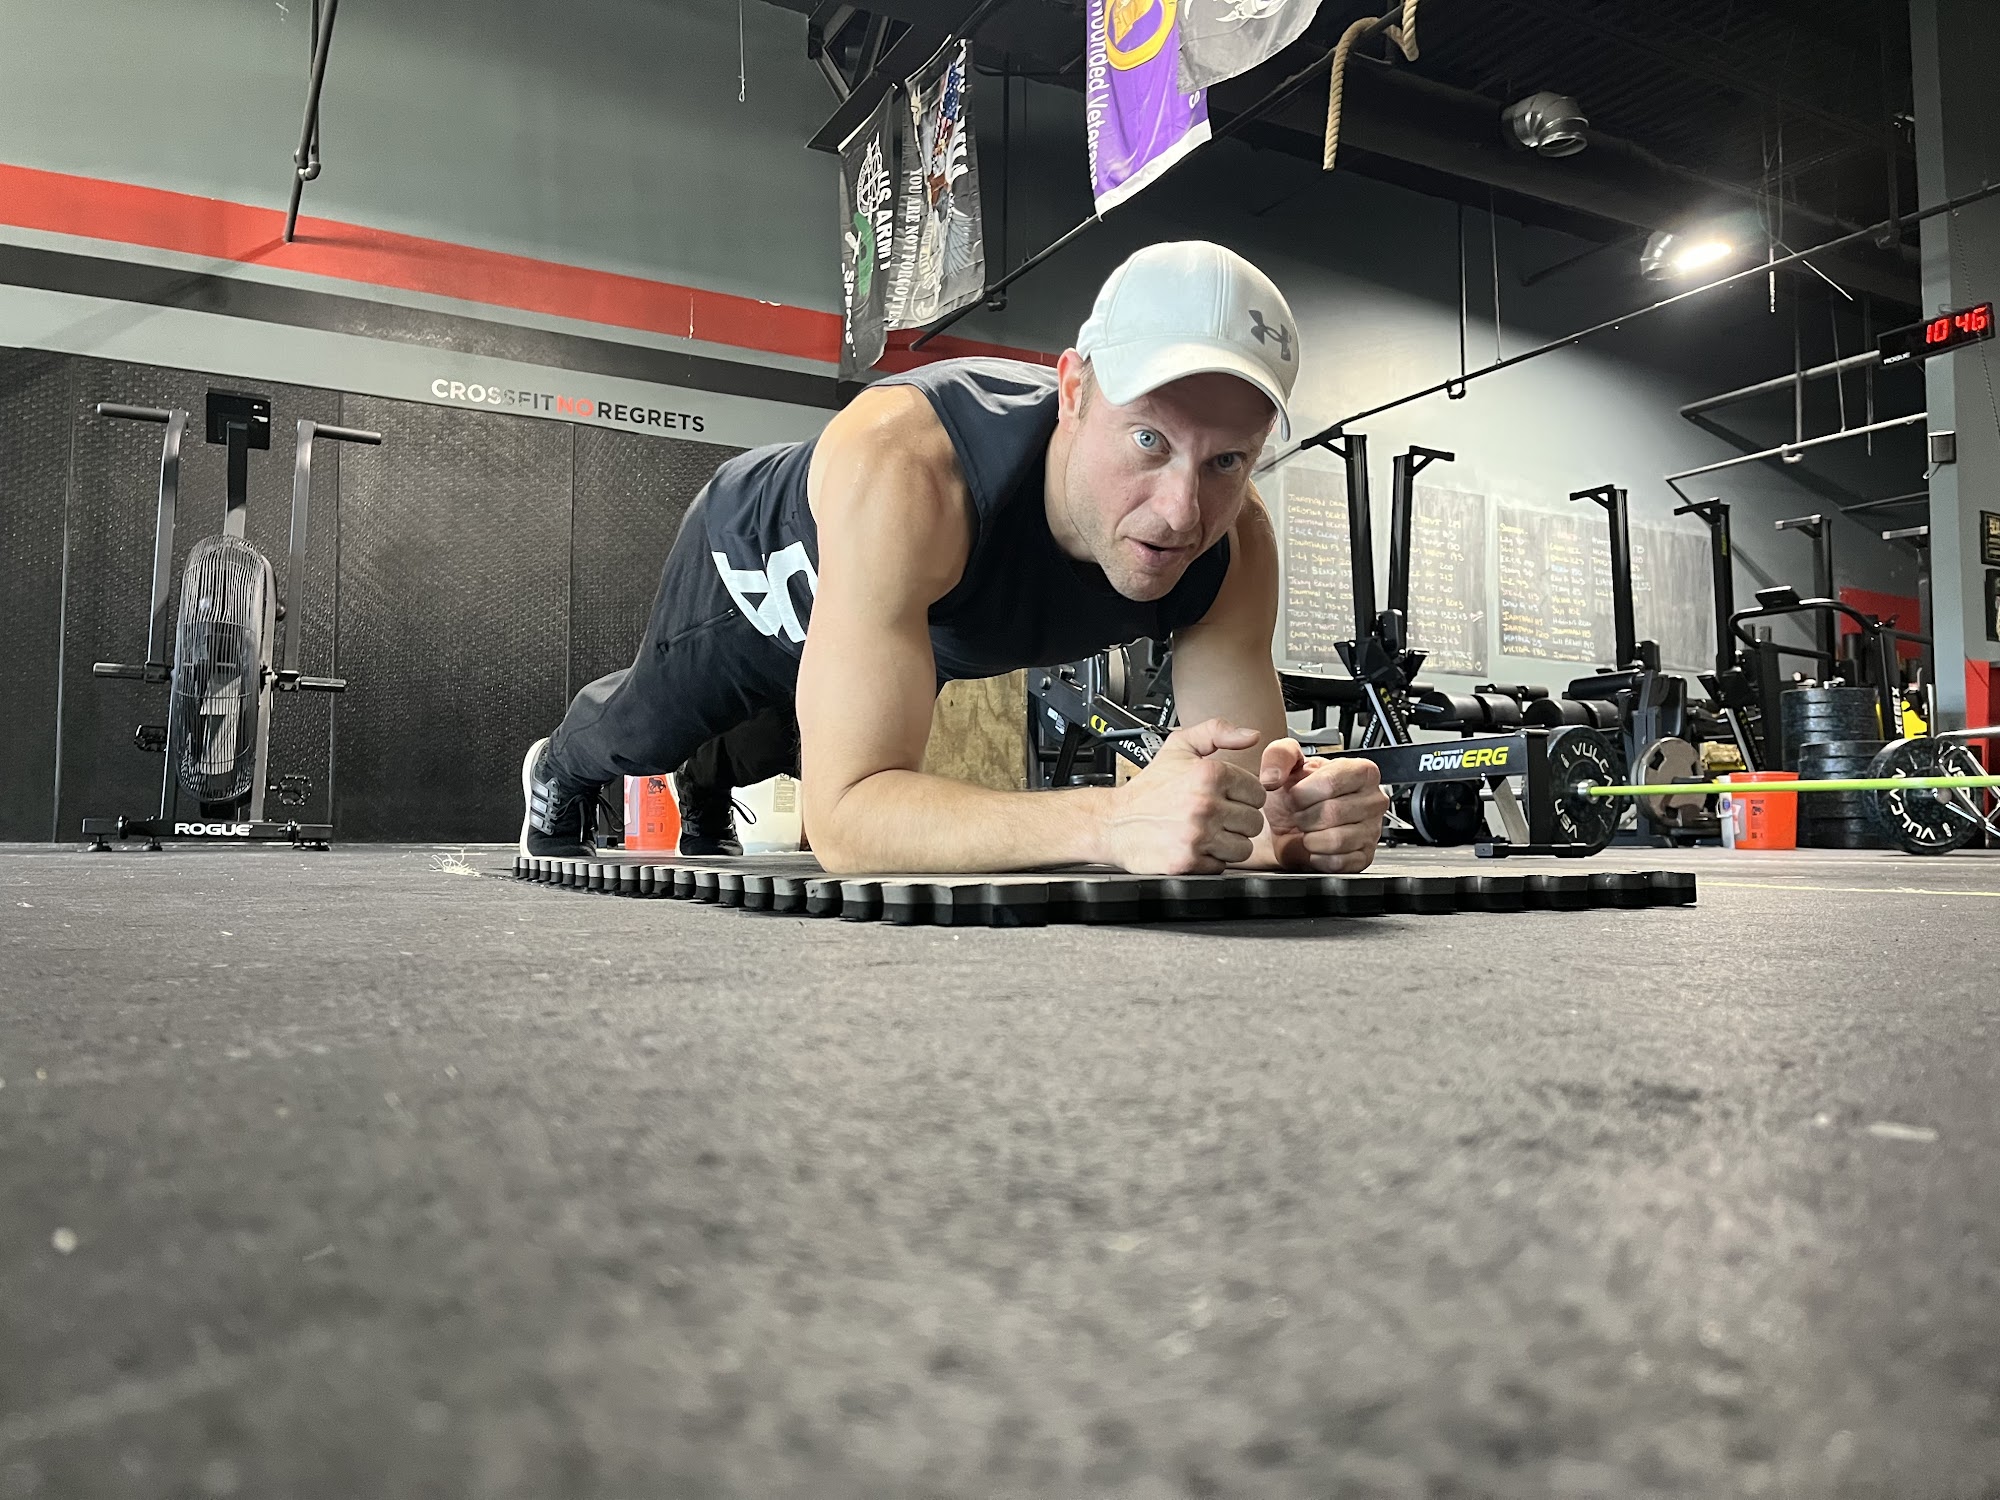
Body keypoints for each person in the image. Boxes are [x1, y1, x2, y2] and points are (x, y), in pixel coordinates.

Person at [520, 240, 1388, 875]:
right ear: (1074, 392)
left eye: (1227, 460)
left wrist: (1295, 827)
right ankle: (556, 764)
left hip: (912, 611)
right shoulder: (911, 464)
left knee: (781, 742)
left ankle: (709, 787)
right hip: (756, 564)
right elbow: (847, 820)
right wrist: (1111, 820)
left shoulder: (1234, 546)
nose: (1181, 512)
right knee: (652, 730)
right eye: (1149, 440)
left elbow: (1243, 803)